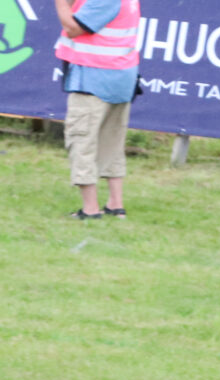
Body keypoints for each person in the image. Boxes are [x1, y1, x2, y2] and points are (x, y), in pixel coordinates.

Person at [53, 0, 140, 220]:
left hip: (94, 77)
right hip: (120, 76)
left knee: (81, 139)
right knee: (111, 141)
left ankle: (90, 209)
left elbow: (73, 29)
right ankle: (115, 204)